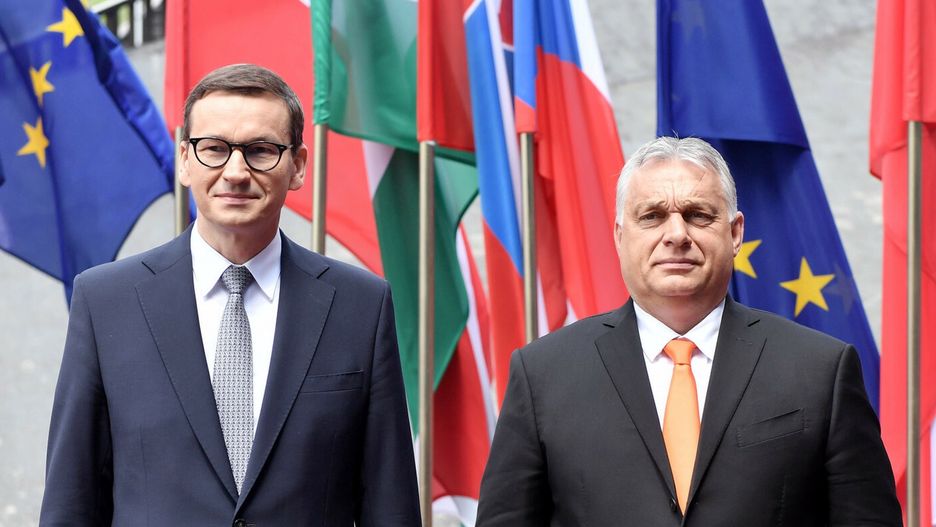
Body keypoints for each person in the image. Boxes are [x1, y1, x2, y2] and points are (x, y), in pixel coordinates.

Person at [39, 64, 421, 526]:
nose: (236, 172)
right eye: (214, 149)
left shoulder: (360, 306)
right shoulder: (105, 303)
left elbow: (391, 507)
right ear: (185, 159)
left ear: (298, 166)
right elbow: (71, 503)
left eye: (260, 150)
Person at [476, 136, 901, 526]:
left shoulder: (821, 370)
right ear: (620, 236)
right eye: (652, 216)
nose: (677, 235)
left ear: (735, 233)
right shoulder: (543, 375)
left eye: (698, 215)